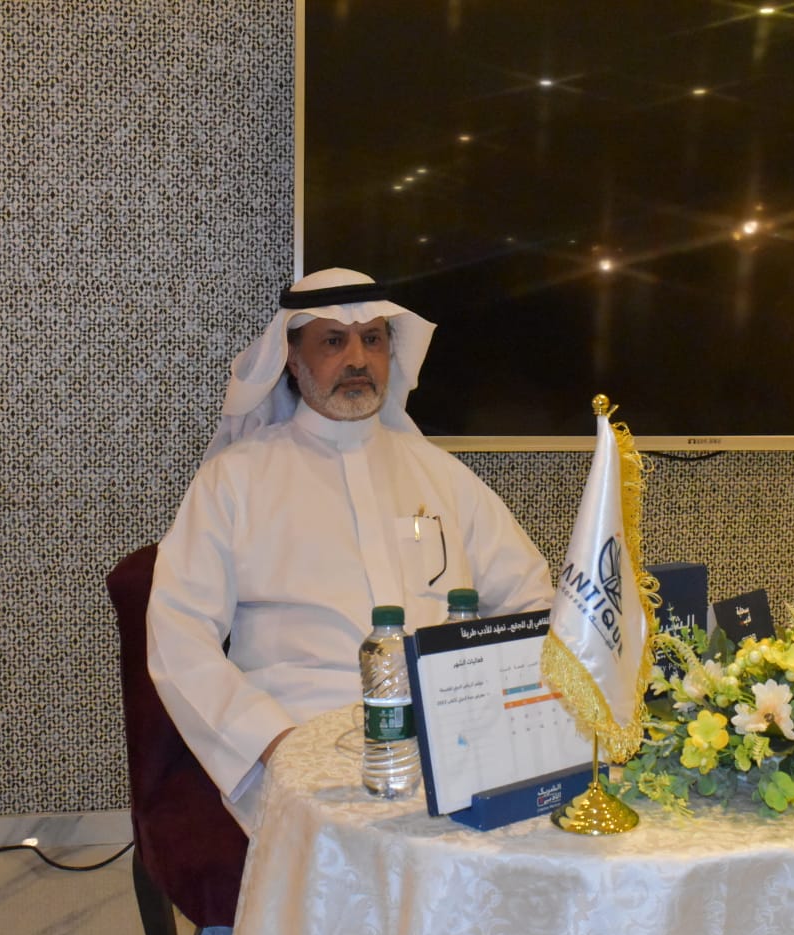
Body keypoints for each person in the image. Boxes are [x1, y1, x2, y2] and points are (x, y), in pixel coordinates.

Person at [146, 268, 553, 832]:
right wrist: (270, 741)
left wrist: (504, 710)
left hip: (451, 738)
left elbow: (531, 602)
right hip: (299, 741)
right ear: (293, 360)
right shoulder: (234, 481)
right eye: (334, 341)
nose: (358, 359)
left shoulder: (441, 476)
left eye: (373, 340)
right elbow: (178, 634)